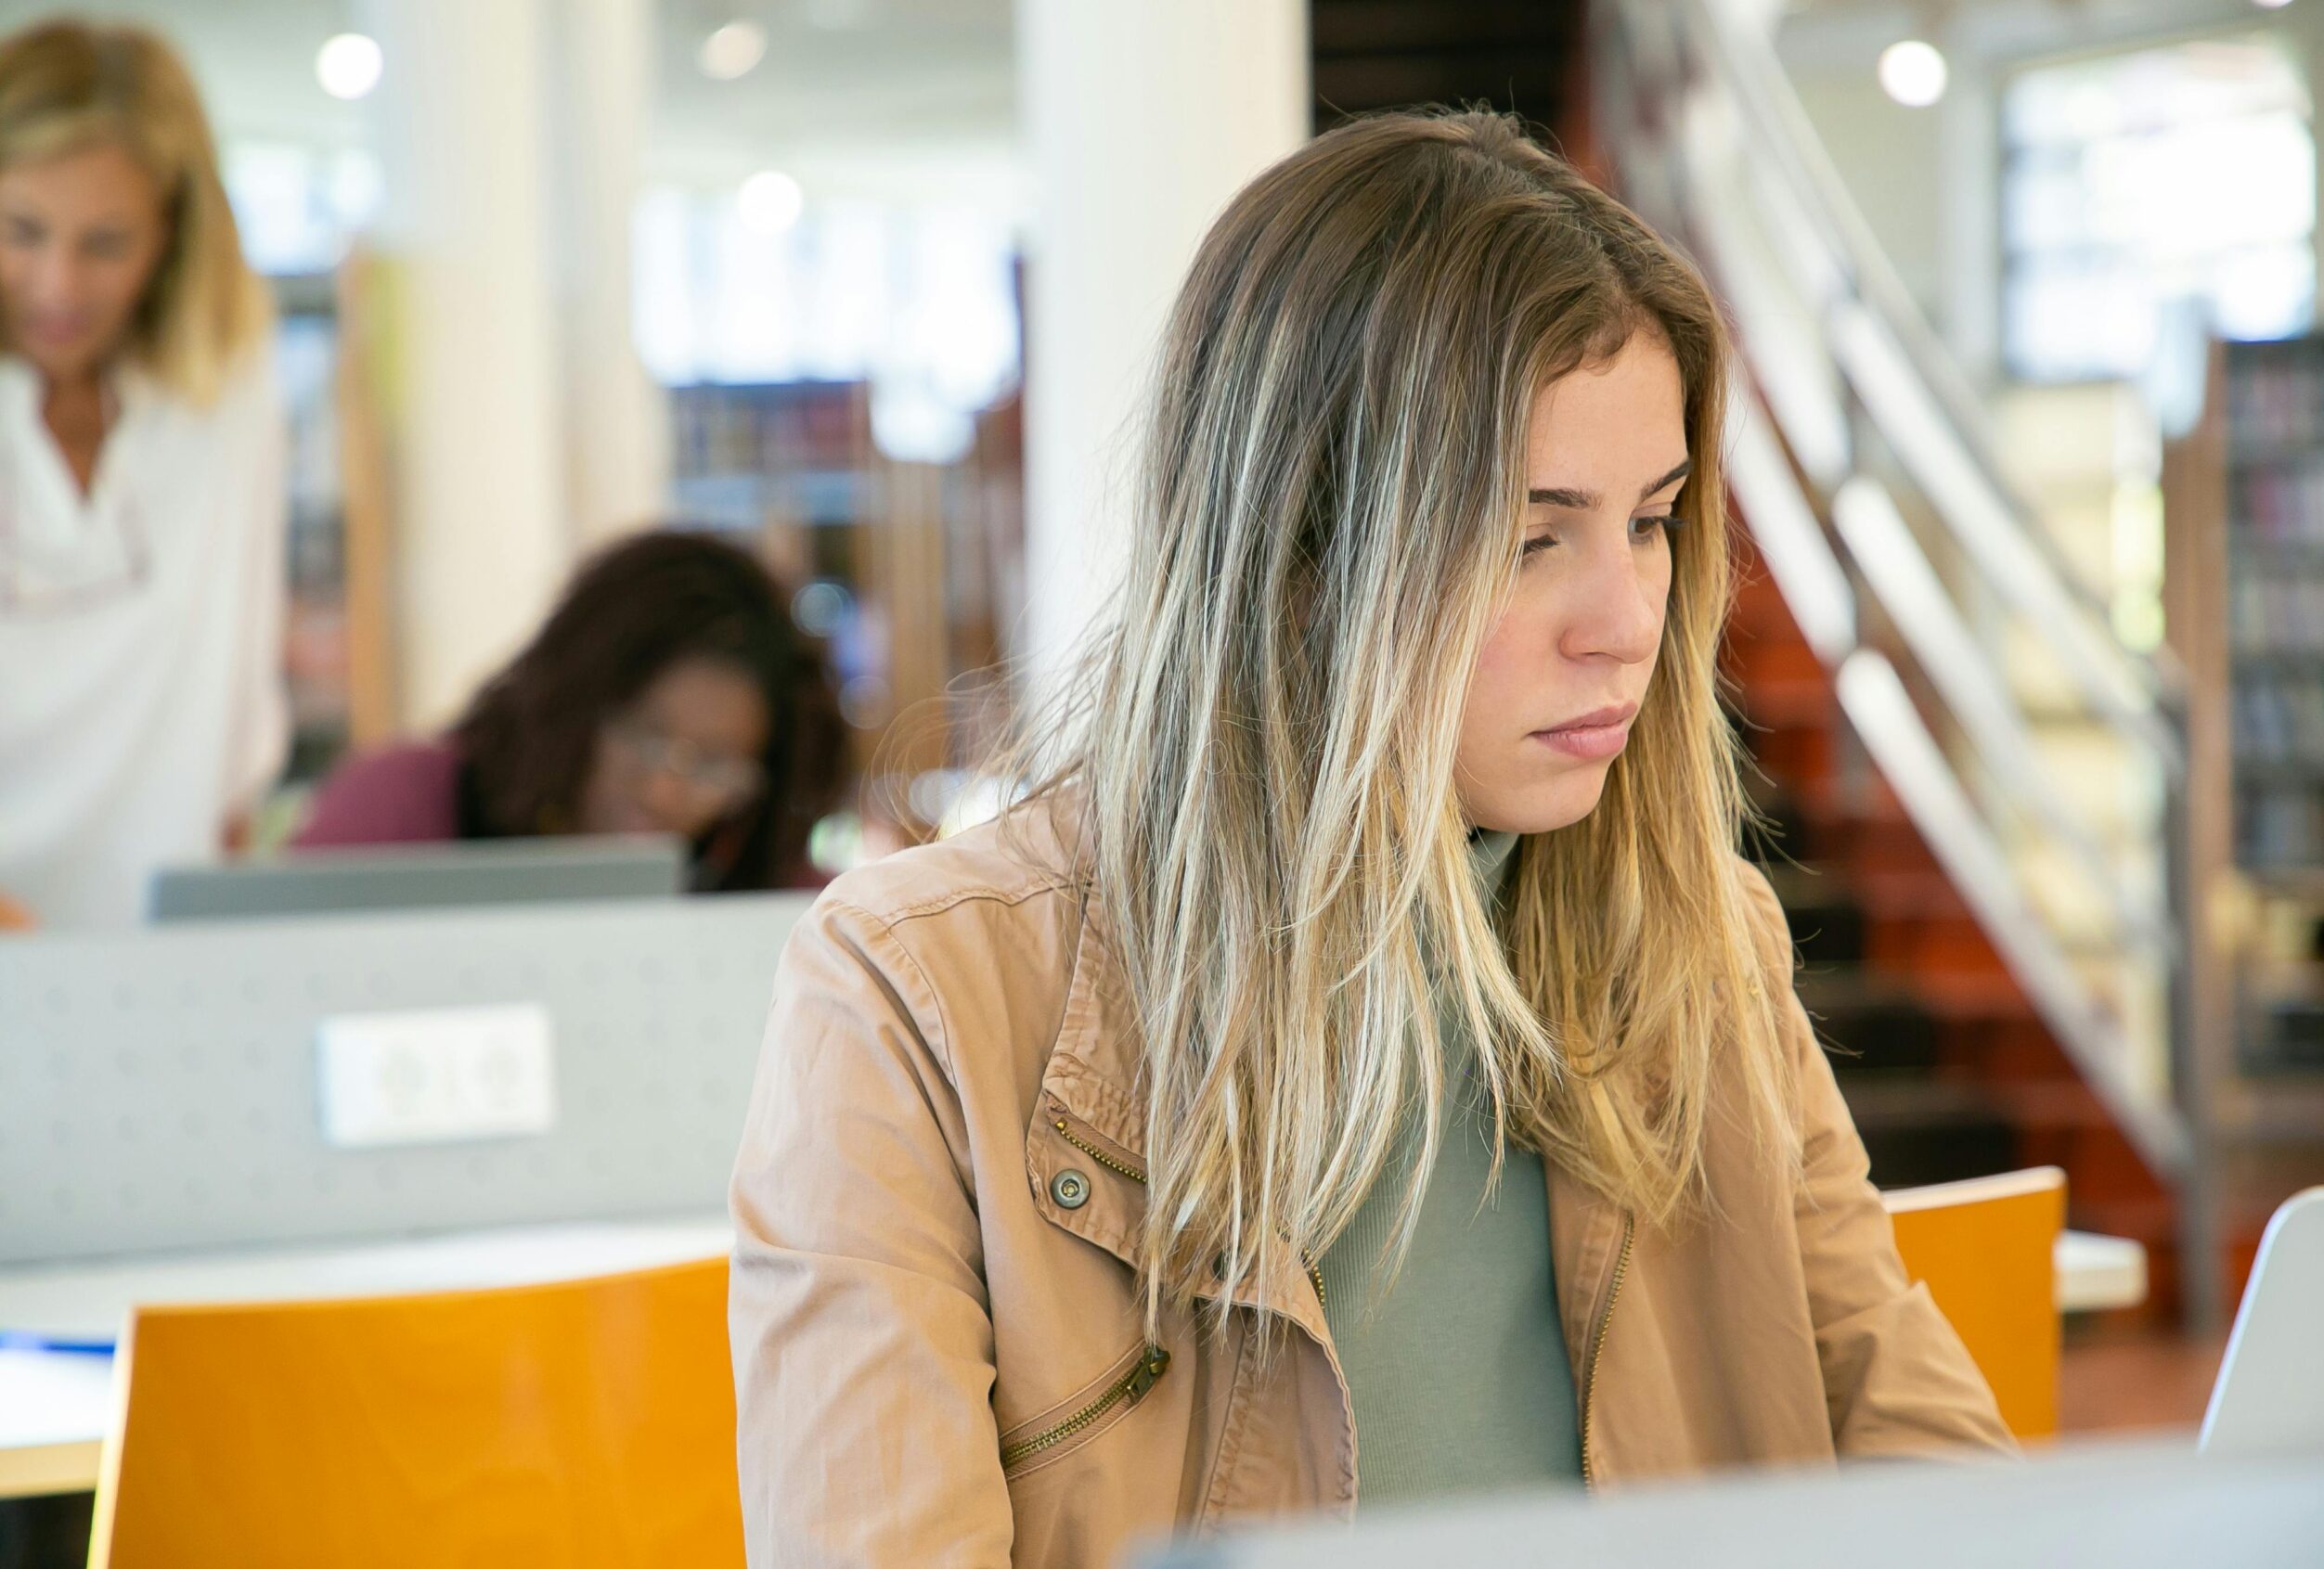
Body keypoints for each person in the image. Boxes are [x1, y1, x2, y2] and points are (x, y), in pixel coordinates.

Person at [727, 110, 2014, 1567]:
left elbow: (1936, 1473)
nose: (1626, 620)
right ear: (1294, 557)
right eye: (1530, 537)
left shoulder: (1704, 947)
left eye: (1651, 522)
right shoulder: (916, 993)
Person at [0, 18, 285, 931]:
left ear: (171, 235)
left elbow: (235, 685)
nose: (58, 286)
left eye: (106, 243)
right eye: (21, 231)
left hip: (160, 940)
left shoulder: (225, 390)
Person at [297, 530, 846, 892]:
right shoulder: (407, 806)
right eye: (643, 736)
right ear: (571, 699)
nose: (662, 791)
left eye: (713, 765)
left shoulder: (786, 903)